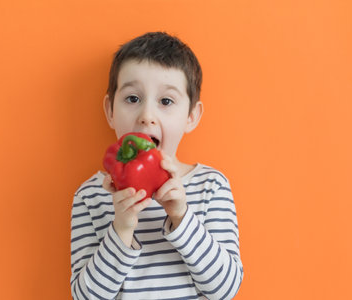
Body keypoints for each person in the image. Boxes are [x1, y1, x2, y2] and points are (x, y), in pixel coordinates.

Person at [70, 31, 244, 299]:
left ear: (191, 117)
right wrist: (122, 227)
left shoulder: (211, 186)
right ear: (110, 111)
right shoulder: (91, 196)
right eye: (132, 98)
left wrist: (181, 216)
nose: (146, 116)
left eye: (165, 101)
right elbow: (85, 296)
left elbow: (225, 289)